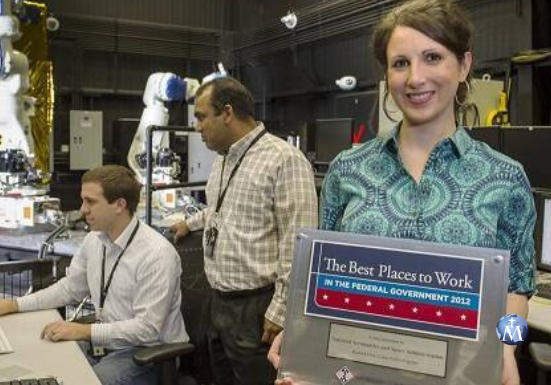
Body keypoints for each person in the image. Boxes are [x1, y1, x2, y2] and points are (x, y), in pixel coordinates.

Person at [269, 1, 536, 385]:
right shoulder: (349, 170)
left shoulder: (505, 179)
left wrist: (506, 348)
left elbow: (516, 291)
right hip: (354, 374)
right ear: (387, 75)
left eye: (432, 57)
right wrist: (298, 336)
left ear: (463, 66)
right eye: (400, 63)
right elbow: (320, 282)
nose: (416, 78)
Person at [170, 76, 318, 385]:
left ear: (227, 112)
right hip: (219, 302)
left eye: (201, 117)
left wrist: (280, 310)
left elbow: (300, 241)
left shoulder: (284, 160)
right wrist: (190, 223)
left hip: (258, 308)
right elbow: (222, 209)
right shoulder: (222, 160)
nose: (197, 127)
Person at [0, 165, 188, 385]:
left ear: (119, 205)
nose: (82, 210)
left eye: (90, 202)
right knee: (38, 362)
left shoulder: (156, 254)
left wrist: (84, 331)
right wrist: (14, 305)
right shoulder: (95, 240)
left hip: (149, 354)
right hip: (107, 344)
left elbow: (146, 330)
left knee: (76, 381)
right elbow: (70, 289)